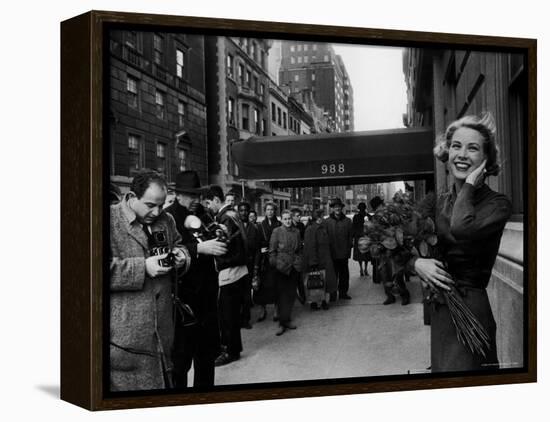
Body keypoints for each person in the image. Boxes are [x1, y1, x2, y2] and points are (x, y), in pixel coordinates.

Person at [413, 112, 511, 372]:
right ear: (447, 154)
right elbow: (411, 246)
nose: (462, 154)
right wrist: (417, 264)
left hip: (472, 308)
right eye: (456, 146)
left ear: (486, 160)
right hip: (442, 309)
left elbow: (461, 227)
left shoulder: (498, 205)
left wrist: (468, 186)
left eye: (473, 148)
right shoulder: (437, 202)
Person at [109, 170, 191, 391]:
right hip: (125, 344)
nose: (156, 212)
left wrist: (182, 257)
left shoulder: (167, 220)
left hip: (163, 336)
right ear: (131, 197)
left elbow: (179, 245)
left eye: (161, 206)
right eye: (149, 205)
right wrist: (143, 267)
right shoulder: (105, 220)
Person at [164, 170, 227, 388]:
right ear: (179, 194)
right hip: (184, 304)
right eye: (191, 196)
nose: (195, 201)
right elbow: (167, 254)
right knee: (180, 365)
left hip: (207, 303)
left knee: (206, 359)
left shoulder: (202, 213)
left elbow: (214, 238)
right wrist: (198, 248)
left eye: (198, 196)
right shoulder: (168, 217)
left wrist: (219, 232)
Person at [204, 186, 248, 366]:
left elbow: (222, 250)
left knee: (226, 315)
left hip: (229, 273)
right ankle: (234, 348)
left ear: (216, 199)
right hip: (240, 271)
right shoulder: (233, 214)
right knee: (232, 315)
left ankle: (231, 351)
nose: (208, 207)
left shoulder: (223, 219)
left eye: (208, 202)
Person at [269, 210, 302, 335]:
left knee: (291, 294)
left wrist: (299, 262)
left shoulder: (296, 232)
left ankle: (287, 319)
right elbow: (272, 251)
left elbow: (299, 249)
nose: (288, 221)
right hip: (281, 268)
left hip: (293, 267)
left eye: (289, 218)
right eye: (285, 219)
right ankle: (282, 323)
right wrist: (276, 264)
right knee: (282, 296)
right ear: (281, 220)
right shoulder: (277, 232)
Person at [302, 209, 337, 310]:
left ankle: (323, 301)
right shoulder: (311, 229)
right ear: (317, 218)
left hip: (325, 259)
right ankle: (315, 302)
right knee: (316, 281)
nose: (323, 218)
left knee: (323, 282)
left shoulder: (321, 228)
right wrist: (313, 262)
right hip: (318, 260)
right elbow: (310, 246)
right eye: (321, 216)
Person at [254, 202, 281, 321]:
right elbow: (257, 243)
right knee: (262, 286)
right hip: (263, 259)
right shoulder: (260, 226)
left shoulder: (279, 224)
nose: (270, 212)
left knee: (276, 284)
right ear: (265, 211)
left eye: (272, 210)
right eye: (268, 210)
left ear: (275, 211)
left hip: (276, 257)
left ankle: (276, 309)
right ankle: (262, 309)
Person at [237, 201, 262, 330]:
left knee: (247, 294)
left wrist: (256, 266)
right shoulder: (235, 226)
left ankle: (246, 319)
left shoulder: (255, 228)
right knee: (237, 293)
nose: (243, 213)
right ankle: (237, 318)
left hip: (250, 264)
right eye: (241, 210)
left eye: (245, 210)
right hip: (237, 264)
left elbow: (258, 249)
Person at [323, 198, 353, 301]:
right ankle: (332, 294)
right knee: (332, 274)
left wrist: (348, 249)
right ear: (332, 208)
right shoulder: (327, 222)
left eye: (339, 206)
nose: (337, 208)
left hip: (344, 253)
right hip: (332, 253)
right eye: (335, 207)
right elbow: (325, 238)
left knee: (344, 274)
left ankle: (343, 293)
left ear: (342, 208)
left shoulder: (348, 221)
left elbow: (350, 237)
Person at [291, 207, 306, 304]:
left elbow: (304, 237)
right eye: (297, 216)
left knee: (300, 277)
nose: (299, 217)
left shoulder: (301, 225)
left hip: (300, 252)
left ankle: (302, 296)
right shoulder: (289, 225)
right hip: (291, 253)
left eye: (299, 215)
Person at [352, 202, 370, 277]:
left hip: (358, 237)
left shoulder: (356, 217)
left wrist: (353, 237)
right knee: (366, 254)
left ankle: (361, 269)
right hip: (366, 237)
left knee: (360, 255)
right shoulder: (367, 216)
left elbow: (353, 227)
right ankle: (365, 269)